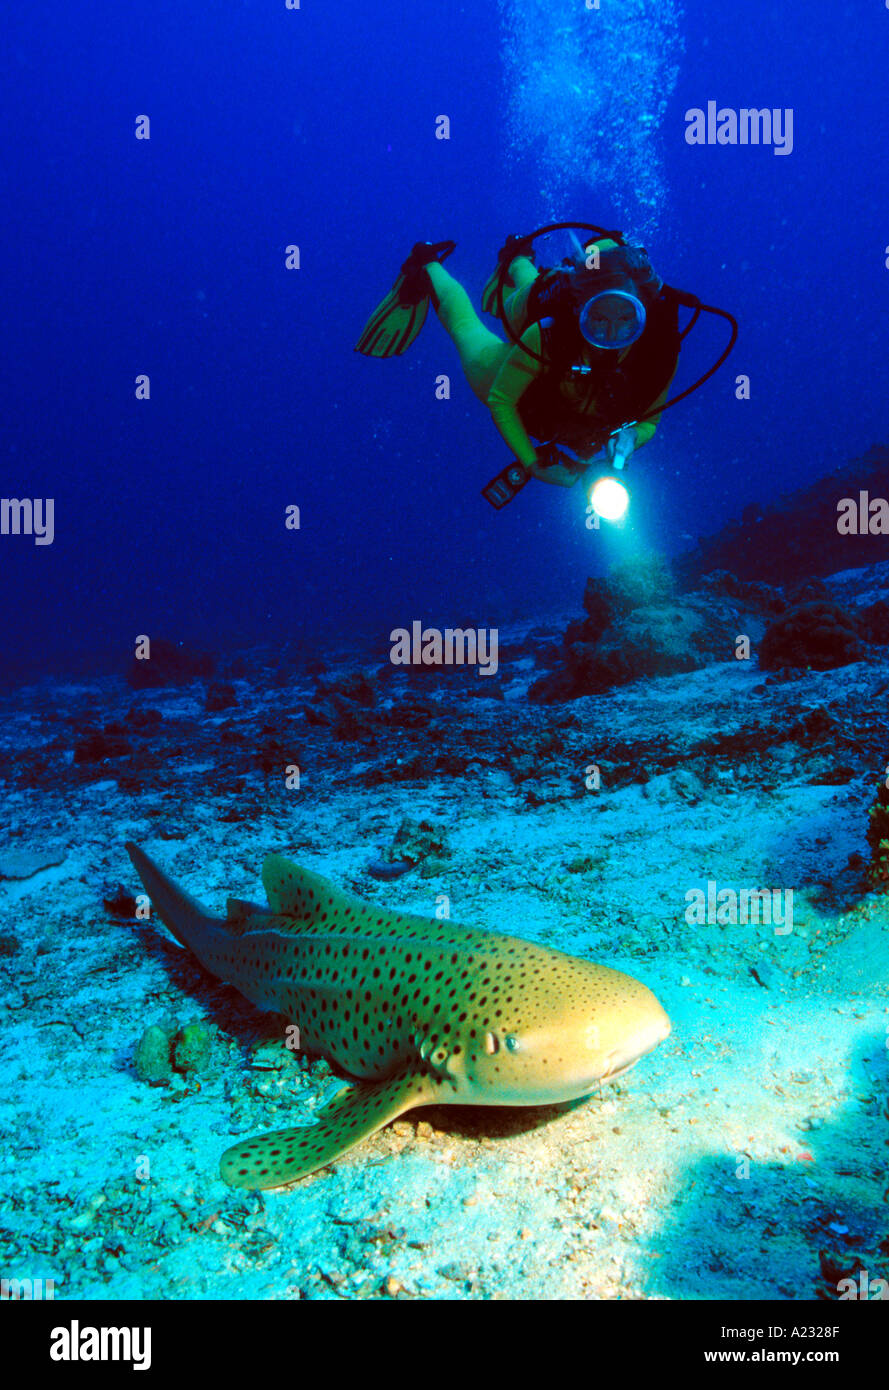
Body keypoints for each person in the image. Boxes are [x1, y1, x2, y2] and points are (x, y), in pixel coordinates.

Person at [355, 230, 683, 497]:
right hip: (526, 387)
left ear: (643, 312)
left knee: (531, 284)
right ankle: (427, 263)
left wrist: (631, 437)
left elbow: (650, 421)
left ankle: (517, 256)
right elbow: (501, 399)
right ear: (580, 309)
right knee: (467, 328)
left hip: (568, 410)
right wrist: (532, 465)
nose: (611, 335)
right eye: (598, 319)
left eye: (626, 320)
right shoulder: (548, 334)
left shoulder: (658, 351)